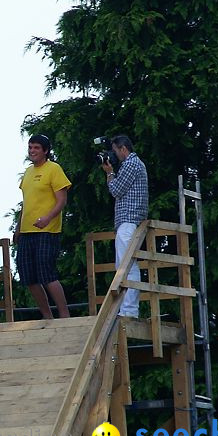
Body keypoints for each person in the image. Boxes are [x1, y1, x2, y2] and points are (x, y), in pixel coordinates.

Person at [14, 134, 71, 319]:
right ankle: (47, 316)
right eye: (30, 147)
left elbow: (62, 200)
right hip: (27, 230)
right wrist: (17, 228)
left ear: (45, 150)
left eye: (36, 148)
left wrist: (47, 218)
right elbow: (25, 203)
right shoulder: (28, 172)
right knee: (27, 275)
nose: (32, 151)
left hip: (47, 230)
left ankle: (64, 314)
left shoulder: (53, 169)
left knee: (46, 273)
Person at [101, 135, 148, 318]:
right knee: (123, 264)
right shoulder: (136, 164)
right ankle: (127, 309)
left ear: (122, 149)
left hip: (129, 220)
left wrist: (110, 173)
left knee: (126, 265)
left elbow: (116, 190)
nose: (114, 156)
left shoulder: (130, 164)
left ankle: (129, 310)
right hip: (129, 220)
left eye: (114, 151)